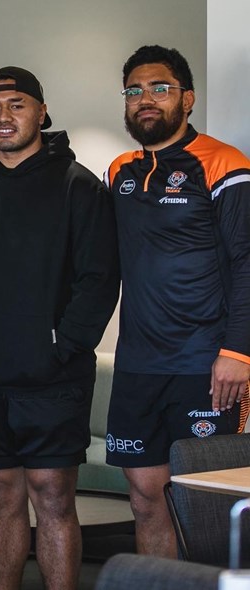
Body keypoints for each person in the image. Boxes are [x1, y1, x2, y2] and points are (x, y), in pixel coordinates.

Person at [0, 67, 120, 590]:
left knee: (54, 499)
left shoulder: (80, 188)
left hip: (55, 379)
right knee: (1, 499)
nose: (4, 116)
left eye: (16, 104)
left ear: (41, 111)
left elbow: (99, 279)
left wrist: (64, 346)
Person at [105, 45, 250, 557]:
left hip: (205, 366)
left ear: (187, 99)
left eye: (160, 88)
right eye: (135, 90)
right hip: (138, 365)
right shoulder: (118, 171)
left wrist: (237, 353)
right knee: (146, 500)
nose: (146, 99)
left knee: (205, 502)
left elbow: (247, 264)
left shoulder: (225, 163)